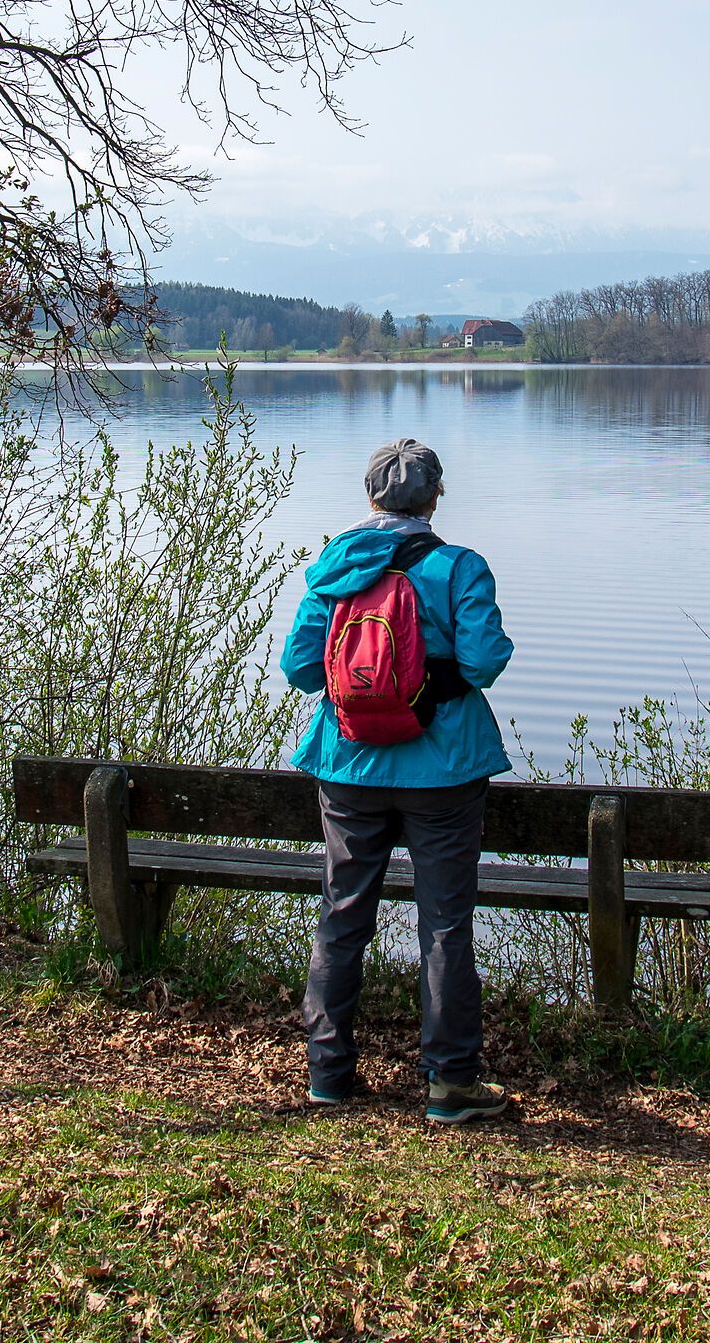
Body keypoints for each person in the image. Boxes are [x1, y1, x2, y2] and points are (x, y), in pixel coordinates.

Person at [279, 436, 516, 1123]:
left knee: (343, 912)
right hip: (443, 771)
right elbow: (483, 663)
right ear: (435, 498)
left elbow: (300, 669)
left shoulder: (333, 570)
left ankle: (327, 1072)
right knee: (445, 926)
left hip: (349, 765)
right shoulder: (459, 568)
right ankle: (450, 1082)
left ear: (371, 497)